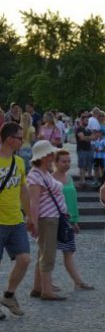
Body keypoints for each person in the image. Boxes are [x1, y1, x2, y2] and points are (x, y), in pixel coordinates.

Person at [26, 141, 69, 301]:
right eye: (50, 154)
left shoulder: (42, 172)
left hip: (51, 217)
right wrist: (34, 222)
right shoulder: (36, 175)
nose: (53, 156)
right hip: (47, 218)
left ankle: (38, 287)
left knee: (42, 253)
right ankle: (46, 290)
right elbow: (34, 201)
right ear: (44, 156)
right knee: (48, 254)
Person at [0, 123, 33, 319]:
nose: (23, 141)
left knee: (25, 259)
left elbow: (23, 190)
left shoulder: (19, 162)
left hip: (15, 220)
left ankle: (9, 295)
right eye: (20, 137)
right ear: (10, 139)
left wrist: (29, 215)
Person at [51, 150, 93, 291]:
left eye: (69, 161)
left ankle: (78, 282)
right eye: (63, 161)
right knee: (48, 254)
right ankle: (45, 282)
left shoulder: (68, 178)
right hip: (53, 220)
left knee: (68, 252)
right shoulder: (51, 179)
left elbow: (73, 201)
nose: (67, 164)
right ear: (56, 162)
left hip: (67, 222)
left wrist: (75, 221)